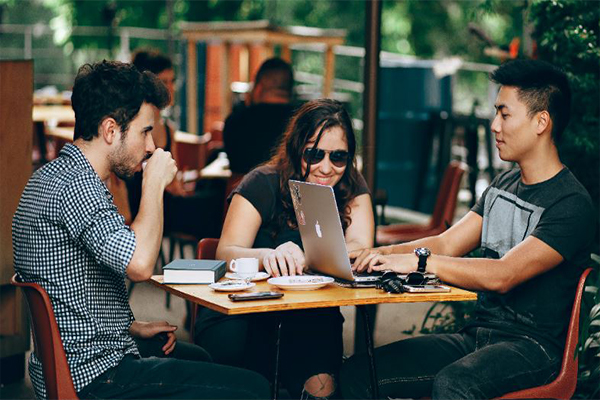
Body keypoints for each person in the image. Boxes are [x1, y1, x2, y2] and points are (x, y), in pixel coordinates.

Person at [12, 60, 270, 399]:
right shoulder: (77, 187)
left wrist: (129, 328)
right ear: (110, 130)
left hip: (76, 365)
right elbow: (140, 265)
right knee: (254, 388)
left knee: (199, 357)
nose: (150, 146)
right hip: (95, 378)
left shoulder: (51, 177)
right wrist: (154, 184)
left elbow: (69, 289)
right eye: (145, 131)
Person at [341, 59, 595, 399]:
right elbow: (447, 242)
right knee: (358, 373)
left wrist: (419, 262)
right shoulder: (503, 184)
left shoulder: (571, 203)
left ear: (541, 122)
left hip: (534, 348)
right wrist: (379, 254)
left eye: (505, 114)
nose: (494, 125)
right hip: (478, 336)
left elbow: (503, 274)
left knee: (455, 383)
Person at [195, 99, 374, 399]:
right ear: (296, 148)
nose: (327, 168)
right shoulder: (262, 182)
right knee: (249, 382)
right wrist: (268, 256)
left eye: (339, 157)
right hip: (246, 313)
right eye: (314, 155)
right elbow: (225, 253)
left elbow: (359, 247)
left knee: (323, 385)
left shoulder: (351, 186)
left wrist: (316, 255)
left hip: (311, 316)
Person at [127, 49, 223, 239]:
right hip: (145, 204)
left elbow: (175, 180)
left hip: (168, 201)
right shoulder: (131, 127)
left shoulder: (168, 130)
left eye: (172, 81)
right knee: (217, 203)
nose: (169, 88)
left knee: (217, 193)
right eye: (163, 82)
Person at [223, 57, 296, 174]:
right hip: (286, 191)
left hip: (242, 190)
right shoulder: (301, 122)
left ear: (258, 87)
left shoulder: (235, 121)